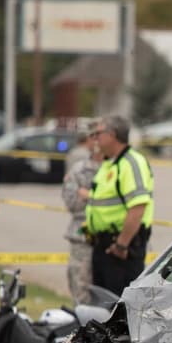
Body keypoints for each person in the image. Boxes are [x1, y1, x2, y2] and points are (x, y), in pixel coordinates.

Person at [85, 115, 155, 296]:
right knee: (102, 307)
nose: (95, 138)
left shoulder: (131, 163)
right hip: (103, 246)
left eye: (98, 133)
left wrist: (122, 245)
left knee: (118, 309)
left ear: (112, 134)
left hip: (121, 250)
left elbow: (138, 208)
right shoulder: (109, 164)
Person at [62, 126, 104, 304]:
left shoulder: (119, 168)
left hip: (112, 241)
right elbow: (73, 203)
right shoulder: (79, 169)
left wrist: (91, 196)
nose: (97, 141)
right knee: (81, 293)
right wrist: (103, 200)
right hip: (83, 240)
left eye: (101, 136)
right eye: (94, 136)